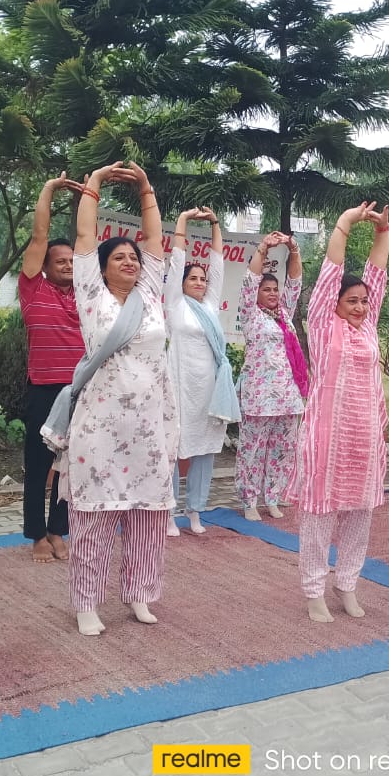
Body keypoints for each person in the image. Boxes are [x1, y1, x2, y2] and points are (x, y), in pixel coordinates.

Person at [54, 161, 176, 634]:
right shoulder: (92, 296)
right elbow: (85, 236)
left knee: (149, 516)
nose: (130, 261)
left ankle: (141, 594)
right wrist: (95, 184)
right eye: (119, 257)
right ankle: (87, 602)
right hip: (100, 431)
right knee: (94, 518)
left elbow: (155, 239)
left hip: (149, 430)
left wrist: (146, 189)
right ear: (101, 269)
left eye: (133, 257)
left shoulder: (150, 296)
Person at [292, 202, 389, 622]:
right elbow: (332, 271)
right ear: (333, 303)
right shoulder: (321, 323)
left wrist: (382, 232)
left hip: (365, 441)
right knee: (319, 517)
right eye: (351, 301)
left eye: (364, 302)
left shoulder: (368, 328)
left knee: (358, 518)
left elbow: (377, 275)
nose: (360, 307)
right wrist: (346, 223)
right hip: (326, 441)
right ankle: (314, 590)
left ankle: (347, 584)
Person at [19, 172, 87, 562]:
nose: (68, 265)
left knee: (71, 464)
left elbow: (88, 240)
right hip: (44, 388)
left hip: (80, 390)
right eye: (60, 261)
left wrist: (91, 195)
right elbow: (39, 236)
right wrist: (48, 190)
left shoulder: (87, 293)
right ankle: (36, 536)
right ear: (44, 266)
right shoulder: (34, 288)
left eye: (72, 261)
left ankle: (58, 529)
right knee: (39, 463)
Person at [165, 206, 238, 536]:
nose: (199, 282)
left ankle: (195, 511)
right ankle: (167, 513)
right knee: (173, 450)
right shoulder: (175, 304)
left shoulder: (209, 306)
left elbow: (218, 265)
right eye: (192, 278)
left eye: (202, 279)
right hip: (180, 389)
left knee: (205, 451)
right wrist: (183, 221)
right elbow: (176, 260)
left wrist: (216, 225)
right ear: (180, 283)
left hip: (210, 392)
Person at [235, 231, 307, 521]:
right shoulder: (251, 314)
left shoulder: (285, 315)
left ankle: (273, 496)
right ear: (256, 294)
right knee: (252, 450)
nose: (273, 294)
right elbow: (250, 279)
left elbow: (295, 283)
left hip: (287, 397)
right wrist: (264, 247)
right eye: (266, 290)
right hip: (259, 397)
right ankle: (249, 500)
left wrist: (293, 248)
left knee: (282, 449)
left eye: (275, 289)